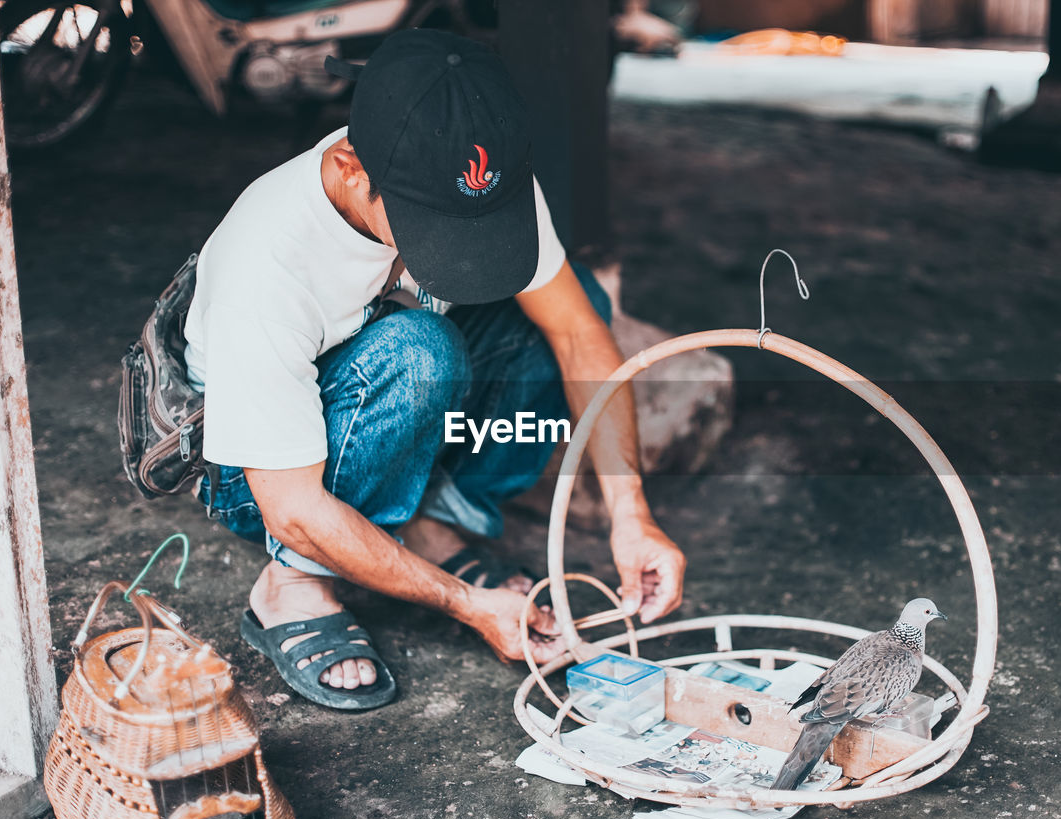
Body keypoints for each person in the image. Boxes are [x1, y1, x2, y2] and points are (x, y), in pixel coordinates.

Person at [182, 28, 686, 710]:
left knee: (573, 306)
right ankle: (291, 583)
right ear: (352, 167)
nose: (457, 250)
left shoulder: (476, 173)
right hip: (261, 478)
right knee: (420, 352)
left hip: (384, 393)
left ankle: (419, 518)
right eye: (433, 229)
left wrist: (632, 512)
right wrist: (467, 603)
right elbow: (294, 506)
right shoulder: (266, 265)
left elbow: (577, 333)